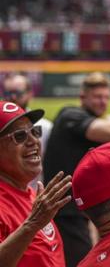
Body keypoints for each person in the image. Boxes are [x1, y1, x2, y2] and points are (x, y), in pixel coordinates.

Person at [43, 72, 110, 267]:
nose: (102, 102)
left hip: (71, 208)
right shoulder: (70, 114)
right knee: (82, 261)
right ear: (82, 97)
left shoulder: (81, 120)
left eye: (106, 97)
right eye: (97, 97)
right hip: (65, 210)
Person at [0, 101, 72, 267]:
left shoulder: (34, 195)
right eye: (19, 136)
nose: (34, 141)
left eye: (35, 132)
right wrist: (32, 225)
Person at [3, 73, 54, 185]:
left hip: (36, 193)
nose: (13, 97)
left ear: (30, 94)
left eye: (35, 132)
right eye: (8, 93)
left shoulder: (46, 127)